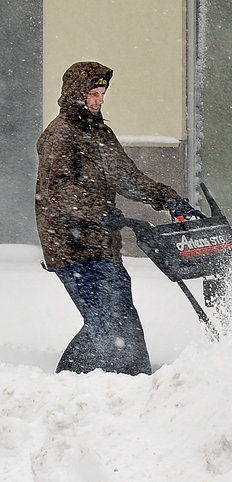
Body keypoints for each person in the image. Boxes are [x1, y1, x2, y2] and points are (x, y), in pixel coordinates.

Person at [35, 61, 200, 375]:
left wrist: (167, 198)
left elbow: (127, 177)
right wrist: (99, 212)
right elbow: (55, 191)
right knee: (108, 318)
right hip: (71, 245)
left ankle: (112, 379)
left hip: (101, 241)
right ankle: (104, 379)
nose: (99, 100)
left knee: (117, 314)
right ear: (75, 95)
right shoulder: (59, 135)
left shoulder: (100, 132)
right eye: (93, 94)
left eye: (102, 93)